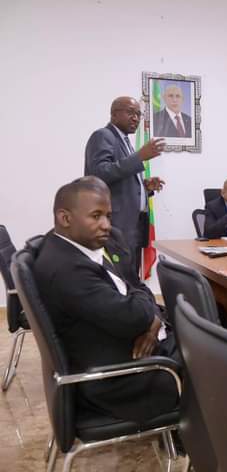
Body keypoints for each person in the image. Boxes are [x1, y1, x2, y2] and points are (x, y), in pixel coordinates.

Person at [33, 179, 179, 423]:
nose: (107, 225)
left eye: (108, 216)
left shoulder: (84, 245)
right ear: (65, 218)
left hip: (128, 347)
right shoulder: (68, 269)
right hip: (118, 380)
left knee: (202, 333)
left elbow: (136, 286)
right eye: (96, 216)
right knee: (211, 359)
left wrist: (152, 322)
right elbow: (135, 314)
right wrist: (149, 317)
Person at [85, 96, 166, 274]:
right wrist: (139, 157)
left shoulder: (125, 140)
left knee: (131, 277)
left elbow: (121, 179)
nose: (136, 118)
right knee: (117, 277)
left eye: (138, 114)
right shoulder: (103, 136)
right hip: (116, 224)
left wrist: (145, 187)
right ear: (114, 114)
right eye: (130, 113)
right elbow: (99, 173)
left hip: (134, 224)